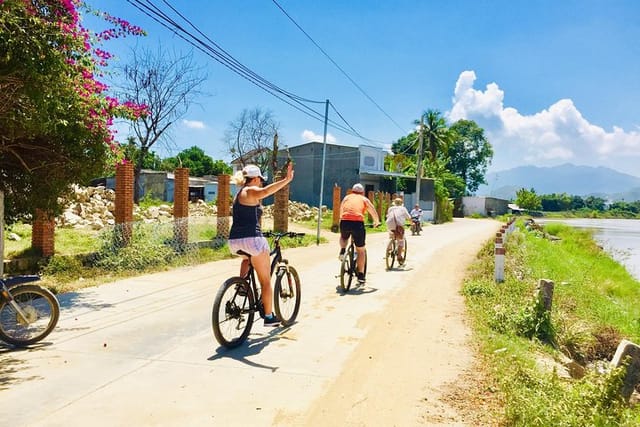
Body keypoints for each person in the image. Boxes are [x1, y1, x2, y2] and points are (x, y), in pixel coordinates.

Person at [228, 162, 294, 327]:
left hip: (235, 241)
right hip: (252, 239)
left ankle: (242, 286)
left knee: (246, 260)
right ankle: (269, 316)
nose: (261, 183)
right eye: (260, 180)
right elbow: (265, 192)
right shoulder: (250, 190)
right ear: (255, 178)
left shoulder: (238, 194)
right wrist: (286, 180)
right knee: (265, 282)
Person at [338, 183, 380, 285]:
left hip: (345, 221)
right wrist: (376, 222)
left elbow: (341, 208)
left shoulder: (347, 197)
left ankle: (343, 251)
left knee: (344, 237)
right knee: (361, 250)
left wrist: (341, 218)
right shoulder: (364, 199)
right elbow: (372, 211)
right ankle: (361, 275)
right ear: (362, 192)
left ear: (352, 191)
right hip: (358, 223)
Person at [386, 198, 411, 264]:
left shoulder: (390, 208)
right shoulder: (403, 208)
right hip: (398, 225)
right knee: (401, 240)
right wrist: (412, 223)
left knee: (392, 235)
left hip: (389, 224)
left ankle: (389, 249)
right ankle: (399, 257)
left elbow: (388, 215)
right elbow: (409, 217)